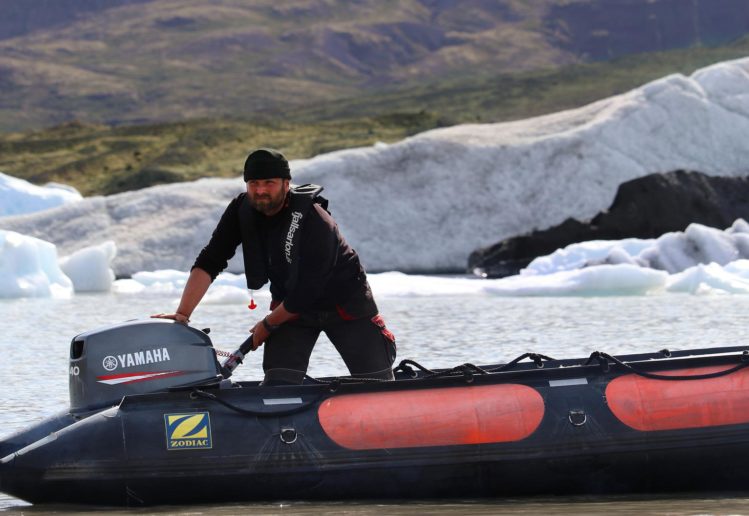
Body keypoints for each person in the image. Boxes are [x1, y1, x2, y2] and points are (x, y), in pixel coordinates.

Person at [153, 148, 396, 385]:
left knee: (378, 383)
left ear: (286, 183)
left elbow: (308, 289)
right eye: (253, 183)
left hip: (346, 305)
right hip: (291, 308)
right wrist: (183, 314)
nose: (260, 190)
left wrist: (268, 324)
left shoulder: (315, 220)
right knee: (279, 386)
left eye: (269, 182)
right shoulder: (241, 210)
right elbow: (210, 260)